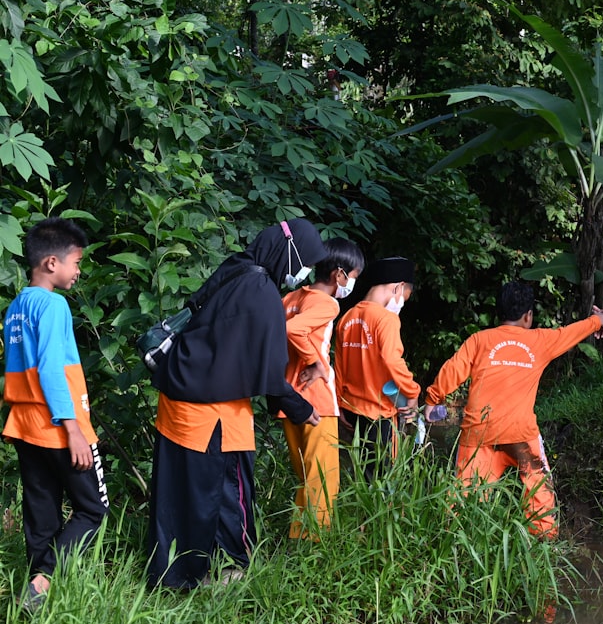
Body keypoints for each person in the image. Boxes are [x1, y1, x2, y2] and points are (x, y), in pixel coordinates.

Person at [147, 218, 327, 589]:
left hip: (179, 395)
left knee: (175, 494)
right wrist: (301, 408)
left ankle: (169, 574)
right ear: (288, 252)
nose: (304, 274)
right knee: (229, 492)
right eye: (304, 262)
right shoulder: (260, 294)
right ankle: (222, 572)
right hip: (214, 414)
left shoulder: (236, 268)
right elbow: (268, 375)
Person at [423, 281, 603, 538]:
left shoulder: (479, 340)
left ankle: (458, 546)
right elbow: (569, 332)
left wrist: (432, 400)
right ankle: (544, 543)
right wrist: (597, 321)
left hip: (479, 434)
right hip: (521, 435)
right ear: (528, 316)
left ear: (499, 314)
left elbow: (452, 370)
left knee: (463, 502)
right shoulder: (539, 340)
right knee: (539, 496)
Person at [3, 218, 110, 610]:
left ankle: (34, 584)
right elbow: (49, 369)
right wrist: (73, 430)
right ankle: (45, 580)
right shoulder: (53, 304)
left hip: (25, 426)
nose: (78, 271)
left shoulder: (16, 307)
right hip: (59, 426)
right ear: (51, 263)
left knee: (41, 508)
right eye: (76, 262)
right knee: (92, 509)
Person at [279, 237, 365, 539]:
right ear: (338, 274)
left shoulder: (289, 299)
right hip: (316, 400)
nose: (350, 284)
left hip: (287, 400)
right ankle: (312, 549)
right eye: (352, 278)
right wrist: (316, 361)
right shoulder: (328, 303)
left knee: (305, 478)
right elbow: (293, 330)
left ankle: (299, 540)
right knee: (323, 481)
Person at [335, 257, 419, 481]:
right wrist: (412, 392)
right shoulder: (387, 320)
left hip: (353, 411)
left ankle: (361, 515)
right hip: (380, 413)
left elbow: (339, 365)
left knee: (362, 475)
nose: (402, 303)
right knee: (385, 480)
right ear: (399, 287)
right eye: (405, 297)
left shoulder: (347, 317)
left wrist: (340, 402)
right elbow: (392, 361)